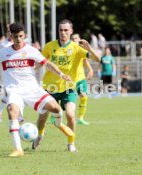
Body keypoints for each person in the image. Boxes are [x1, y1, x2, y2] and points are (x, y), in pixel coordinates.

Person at [0, 22, 74, 157]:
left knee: (56, 108)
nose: (18, 39)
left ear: (24, 35)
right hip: (14, 90)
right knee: (12, 111)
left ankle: (58, 124)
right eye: (16, 36)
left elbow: (48, 64)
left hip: (32, 89)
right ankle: (18, 149)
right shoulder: (4, 52)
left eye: (21, 36)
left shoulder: (31, 50)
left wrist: (62, 74)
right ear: (10, 36)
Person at [32, 19, 100, 152]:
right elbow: (40, 63)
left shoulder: (76, 48)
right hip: (50, 88)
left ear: (71, 31)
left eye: (66, 30)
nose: (63, 33)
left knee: (70, 115)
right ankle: (39, 135)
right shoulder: (49, 46)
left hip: (68, 88)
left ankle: (71, 143)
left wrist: (89, 48)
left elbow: (97, 59)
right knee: (42, 117)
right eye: (61, 30)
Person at [0, 24, 24, 123]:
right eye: (9, 32)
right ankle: (19, 115)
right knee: (11, 94)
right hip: (7, 72)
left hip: (19, 72)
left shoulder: (21, 43)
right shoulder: (3, 44)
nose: (10, 34)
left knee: (13, 94)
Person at [71, 33, 94, 125]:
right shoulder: (68, 49)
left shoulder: (81, 49)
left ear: (79, 39)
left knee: (84, 96)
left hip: (80, 77)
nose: (74, 40)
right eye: (72, 38)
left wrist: (90, 70)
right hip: (70, 79)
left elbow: (85, 60)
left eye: (76, 38)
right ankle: (55, 116)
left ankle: (80, 118)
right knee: (64, 99)